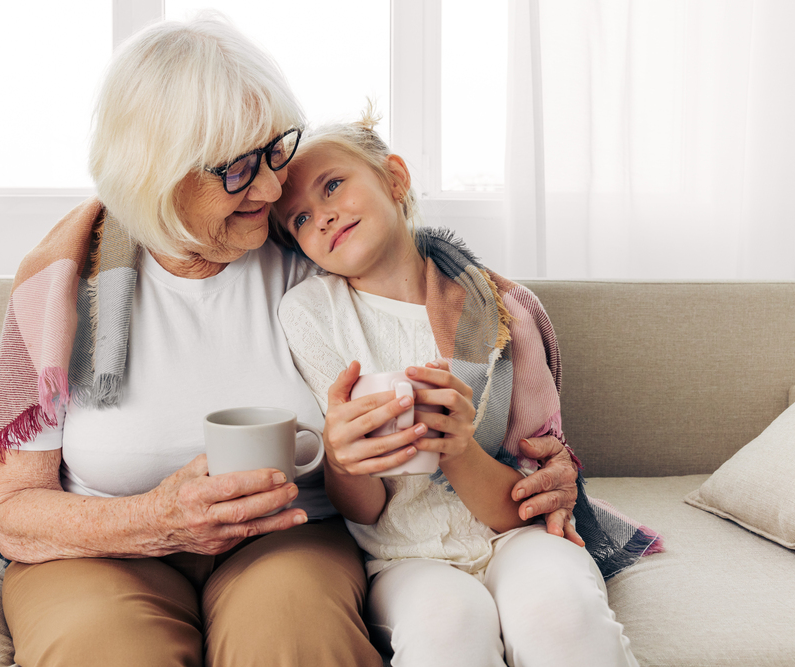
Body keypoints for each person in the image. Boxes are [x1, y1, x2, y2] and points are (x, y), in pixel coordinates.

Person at [0, 15, 582, 667]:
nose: (273, 188)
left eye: (275, 150)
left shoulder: (315, 249)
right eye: (238, 170)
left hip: (290, 537)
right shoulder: (69, 286)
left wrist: (542, 459)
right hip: (104, 547)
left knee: (295, 645)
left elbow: (452, 299)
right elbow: (9, 506)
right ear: (158, 177)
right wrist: (154, 518)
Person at [272, 111, 659, 666]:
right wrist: (342, 456)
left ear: (394, 179)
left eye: (333, 185)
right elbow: (367, 510)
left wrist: (456, 447)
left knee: (561, 615)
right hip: (404, 556)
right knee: (446, 629)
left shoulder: (503, 312)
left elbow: (526, 502)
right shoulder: (312, 315)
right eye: (300, 219)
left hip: (513, 534)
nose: (324, 216)